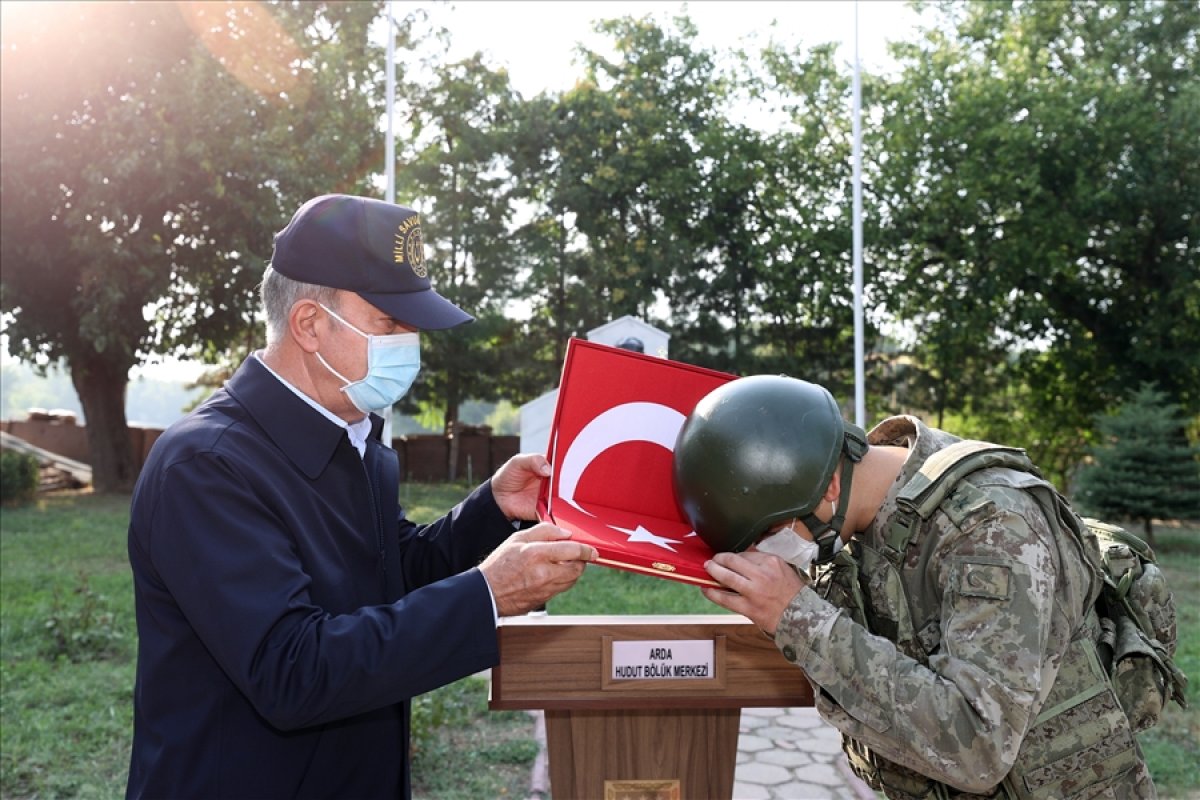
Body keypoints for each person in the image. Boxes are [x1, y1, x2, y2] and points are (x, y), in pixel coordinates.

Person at [126, 194, 596, 800]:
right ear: (309, 325)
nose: (411, 345)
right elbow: (291, 669)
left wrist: (493, 509)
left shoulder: (352, 437)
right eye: (390, 324)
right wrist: (488, 592)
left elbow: (389, 572)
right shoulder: (208, 466)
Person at [672, 375, 1155, 799]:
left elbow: (979, 745)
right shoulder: (862, 523)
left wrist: (796, 615)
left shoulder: (990, 527)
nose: (765, 553)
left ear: (826, 491)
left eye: (766, 535)